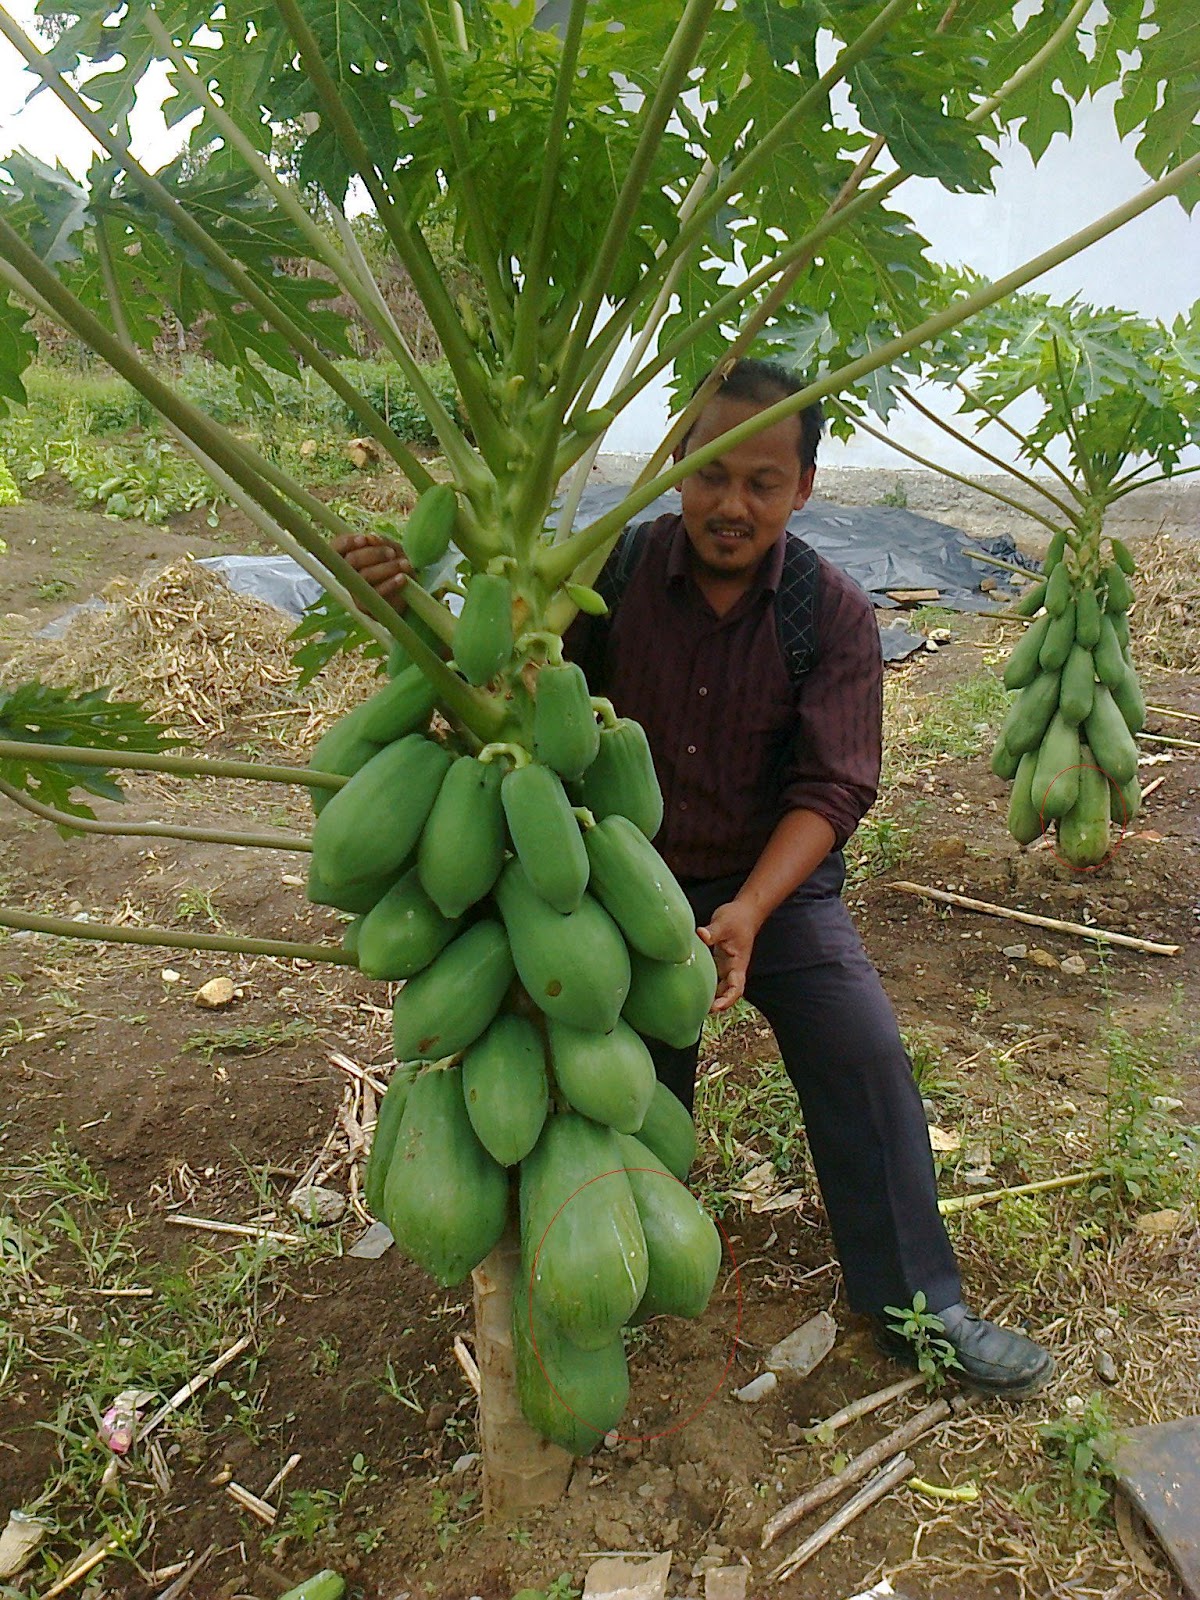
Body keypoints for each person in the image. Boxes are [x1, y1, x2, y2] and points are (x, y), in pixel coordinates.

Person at [335, 359, 1055, 1399]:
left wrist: (749, 911)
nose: (733, 504)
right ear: (675, 465)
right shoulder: (611, 574)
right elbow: (493, 680)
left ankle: (920, 1304)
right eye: (712, 473)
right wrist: (408, 600)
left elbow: (835, 786)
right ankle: (606, 1272)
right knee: (626, 1092)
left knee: (860, 1053)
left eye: (763, 483)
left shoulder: (831, 611)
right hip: (618, 882)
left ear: (804, 488)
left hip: (775, 887)